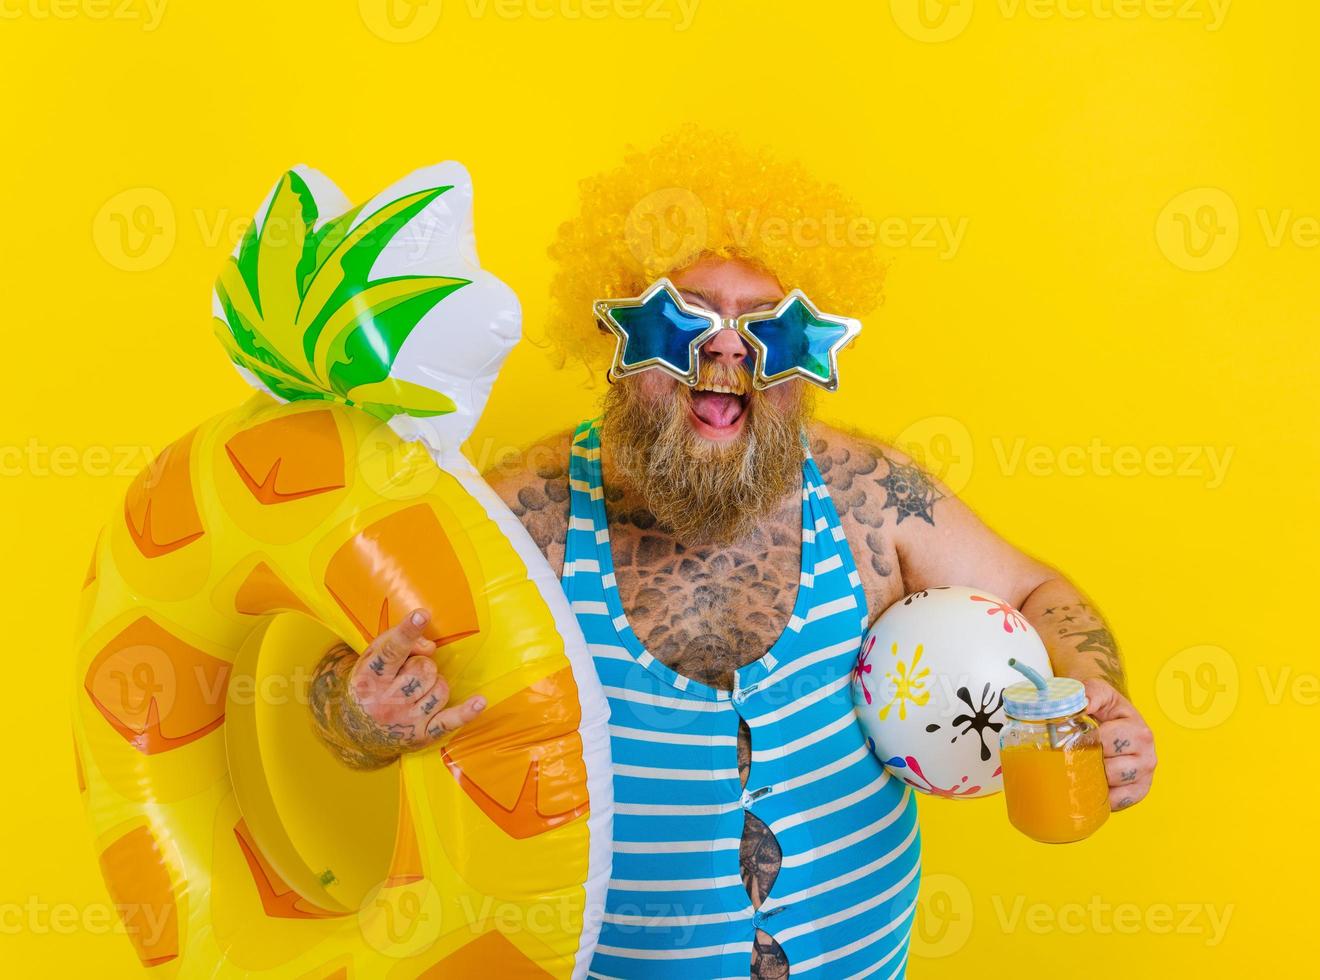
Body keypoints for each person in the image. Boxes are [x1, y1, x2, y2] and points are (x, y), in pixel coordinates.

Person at [307, 130, 1157, 979]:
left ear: (810, 362)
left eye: (772, 331)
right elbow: (346, 675)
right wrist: (362, 713)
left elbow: (1037, 591)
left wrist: (1098, 704)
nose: (727, 352)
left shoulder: (870, 498)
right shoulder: (521, 520)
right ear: (611, 335)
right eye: (683, 320)